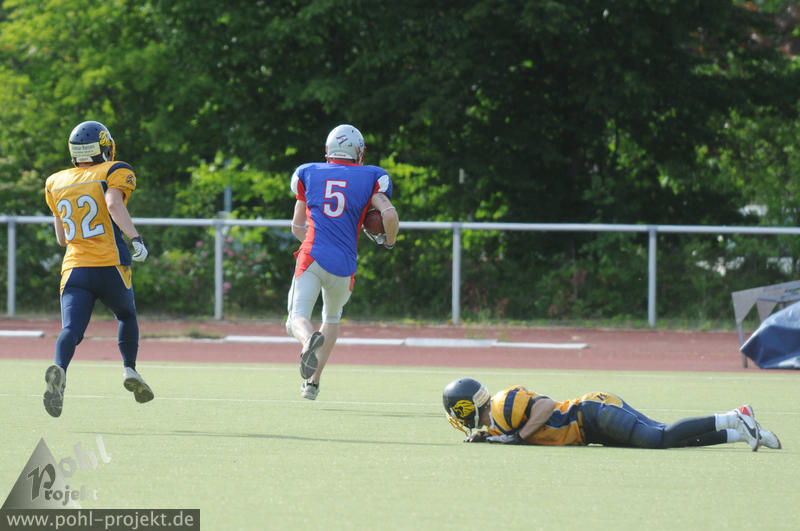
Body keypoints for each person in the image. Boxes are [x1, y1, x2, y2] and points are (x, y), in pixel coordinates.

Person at [42, 120, 154, 418]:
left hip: (75, 267)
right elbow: (113, 203)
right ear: (103, 147)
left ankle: (60, 369)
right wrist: (135, 238)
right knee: (126, 315)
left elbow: (61, 238)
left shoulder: (55, 181)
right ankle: (129, 369)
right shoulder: (114, 170)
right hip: (109, 263)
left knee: (71, 329)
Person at [286, 124, 399, 400]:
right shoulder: (372, 176)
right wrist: (389, 241)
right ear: (358, 151)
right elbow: (389, 215)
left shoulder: (307, 172)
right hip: (345, 264)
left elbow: (297, 227)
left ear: (329, 149)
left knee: (296, 318)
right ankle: (312, 383)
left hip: (313, 255)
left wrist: (315, 240)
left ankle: (307, 341)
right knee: (332, 317)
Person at [442, 377, 782, 450]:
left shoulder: (501, 404)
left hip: (592, 413)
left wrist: (520, 435)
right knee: (670, 441)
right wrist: (488, 438)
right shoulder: (495, 423)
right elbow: (503, 434)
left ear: (464, 407)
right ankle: (743, 432)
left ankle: (734, 415)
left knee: (661, 437)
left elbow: (545, 405)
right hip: (591, 429)